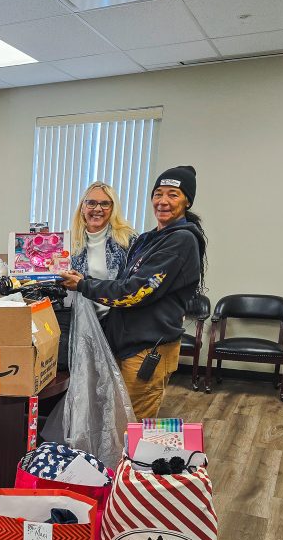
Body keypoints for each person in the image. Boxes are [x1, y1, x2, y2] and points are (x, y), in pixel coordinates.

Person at [61, 166, 208, 419]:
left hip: (147, 349)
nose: (163, 201)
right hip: (124, 344)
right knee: (116, 420)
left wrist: (84, 284)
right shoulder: (149, 239)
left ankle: (131, 461)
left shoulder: (181, 240)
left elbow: (136, 291)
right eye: (158, 194)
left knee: (132, 425)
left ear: (187, 202)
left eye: (173, 195)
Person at [68, 181, 136, 315]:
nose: (97, 209)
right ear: (83, 207)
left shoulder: (129, 241)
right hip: (82, 319)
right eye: (91, 203)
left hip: (117, 320)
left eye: (105, 204)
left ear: (113, 209)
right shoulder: (70, 242)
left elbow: (133, 287)